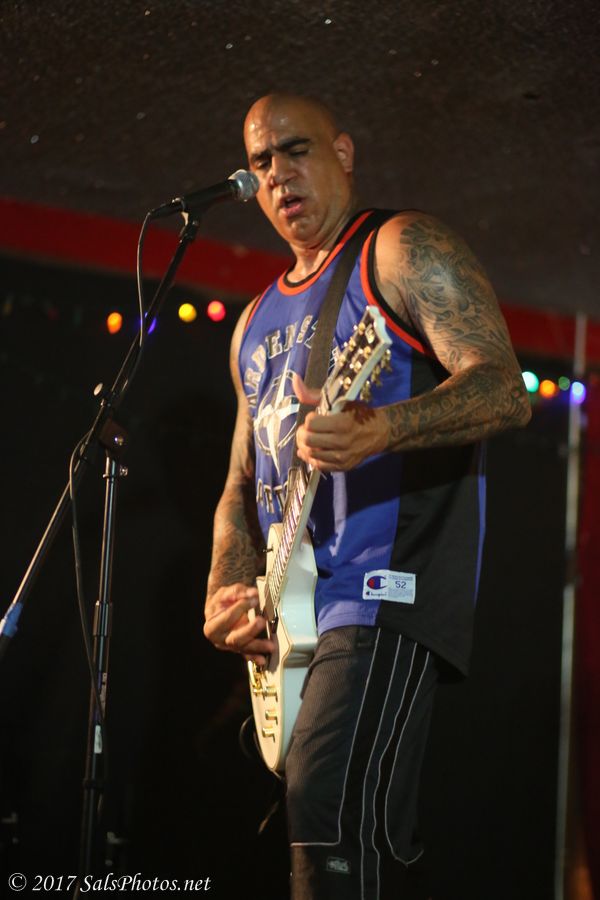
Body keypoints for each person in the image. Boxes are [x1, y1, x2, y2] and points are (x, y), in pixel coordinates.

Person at [203, 93, 531, 900]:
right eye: (260, 162)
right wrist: (226, 588)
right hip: (294, 614)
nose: (278, 175)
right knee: (314, 824)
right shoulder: (252, 324)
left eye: (296, 150)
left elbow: (504, 388)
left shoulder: (400, 248)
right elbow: (240, 484)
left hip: (384, 587)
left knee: (330, 809)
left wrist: (383, 427)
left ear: (344, 154)